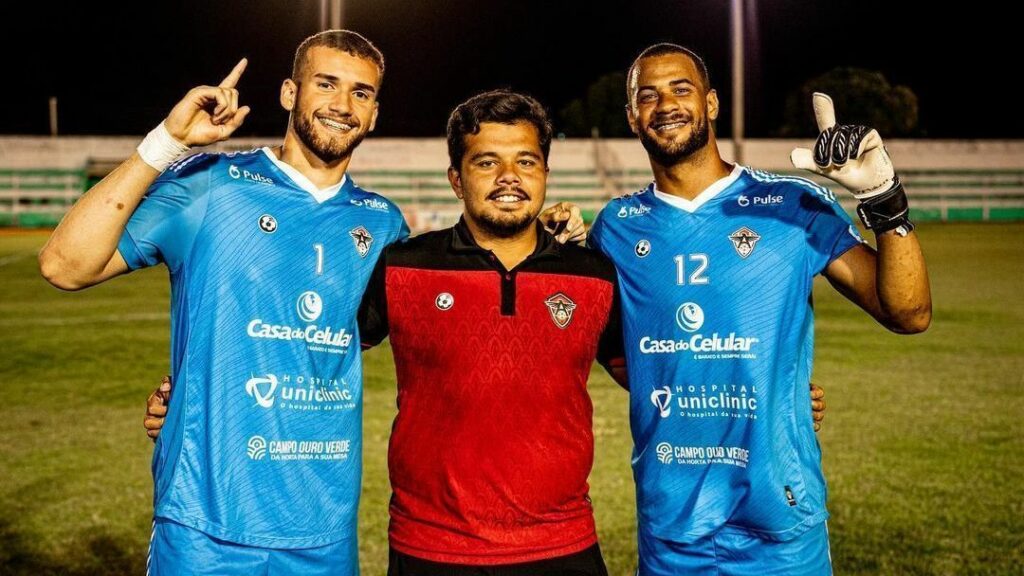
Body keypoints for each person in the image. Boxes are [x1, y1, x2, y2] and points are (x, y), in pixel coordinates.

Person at [587, 43, 931, 575]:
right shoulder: (616, 227)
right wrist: (727, 388)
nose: (666, 104)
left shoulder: (791, 204)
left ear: (712, 103)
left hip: (781, 521)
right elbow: (615, 351)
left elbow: (907, 312)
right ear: (632, 115)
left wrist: (885, 200)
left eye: (682, 89)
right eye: (647, 95)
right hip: (673, 526)